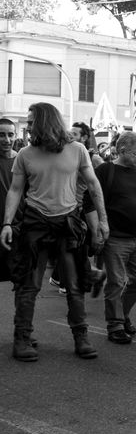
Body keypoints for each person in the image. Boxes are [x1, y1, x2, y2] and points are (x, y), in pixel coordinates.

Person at [2, 103, 109, 361]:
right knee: (29, 286)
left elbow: (93, 185)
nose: (27, 128)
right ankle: (22, 339)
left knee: (74, 286)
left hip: (67, 223)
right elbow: (15, 190)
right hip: (35, 223)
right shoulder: (25, 154)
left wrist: (102, 222)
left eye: (30, 122)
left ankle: (81, 337)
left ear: (45, 121)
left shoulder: (77, 149)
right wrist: (6, 224)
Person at [95, 132, 136, 344]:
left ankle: (123, 314)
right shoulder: (105, 170)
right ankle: (115, 325)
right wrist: (100, 227)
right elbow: (92, 201)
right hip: (116, 238)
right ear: (122, 150)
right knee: (116, 281)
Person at [0, 118, 21, 282]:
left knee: (18, 280)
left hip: (17, 228)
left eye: (10, 134)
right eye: (1, 135)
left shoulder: (22, 161)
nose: (7, 140)